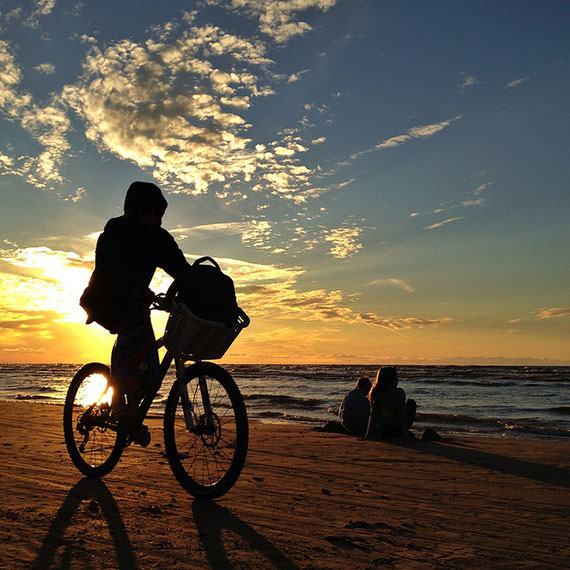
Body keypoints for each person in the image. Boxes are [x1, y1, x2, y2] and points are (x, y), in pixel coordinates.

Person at [80, 181, 191, 445]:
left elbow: (179, 266)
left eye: (158, 211)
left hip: (138, 298)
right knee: (133, 330)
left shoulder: (159, 238)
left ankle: (133, 407)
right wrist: (136, 288)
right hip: (108, 296)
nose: (154, 216)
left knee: (146, 351)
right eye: (148, 210)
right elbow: (110, 266)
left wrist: (197, 283)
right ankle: (119, 402)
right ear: (134, 209)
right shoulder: (115, 231)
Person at [364, 366, 416, 442]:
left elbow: (373, 416)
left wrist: (368, 435)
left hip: (383, 429)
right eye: (396, 377)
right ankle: (402, 433)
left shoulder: (375, 393)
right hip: (396, 427)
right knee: (411, 403)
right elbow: (402, 415)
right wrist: (406, 436)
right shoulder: (398, 393)